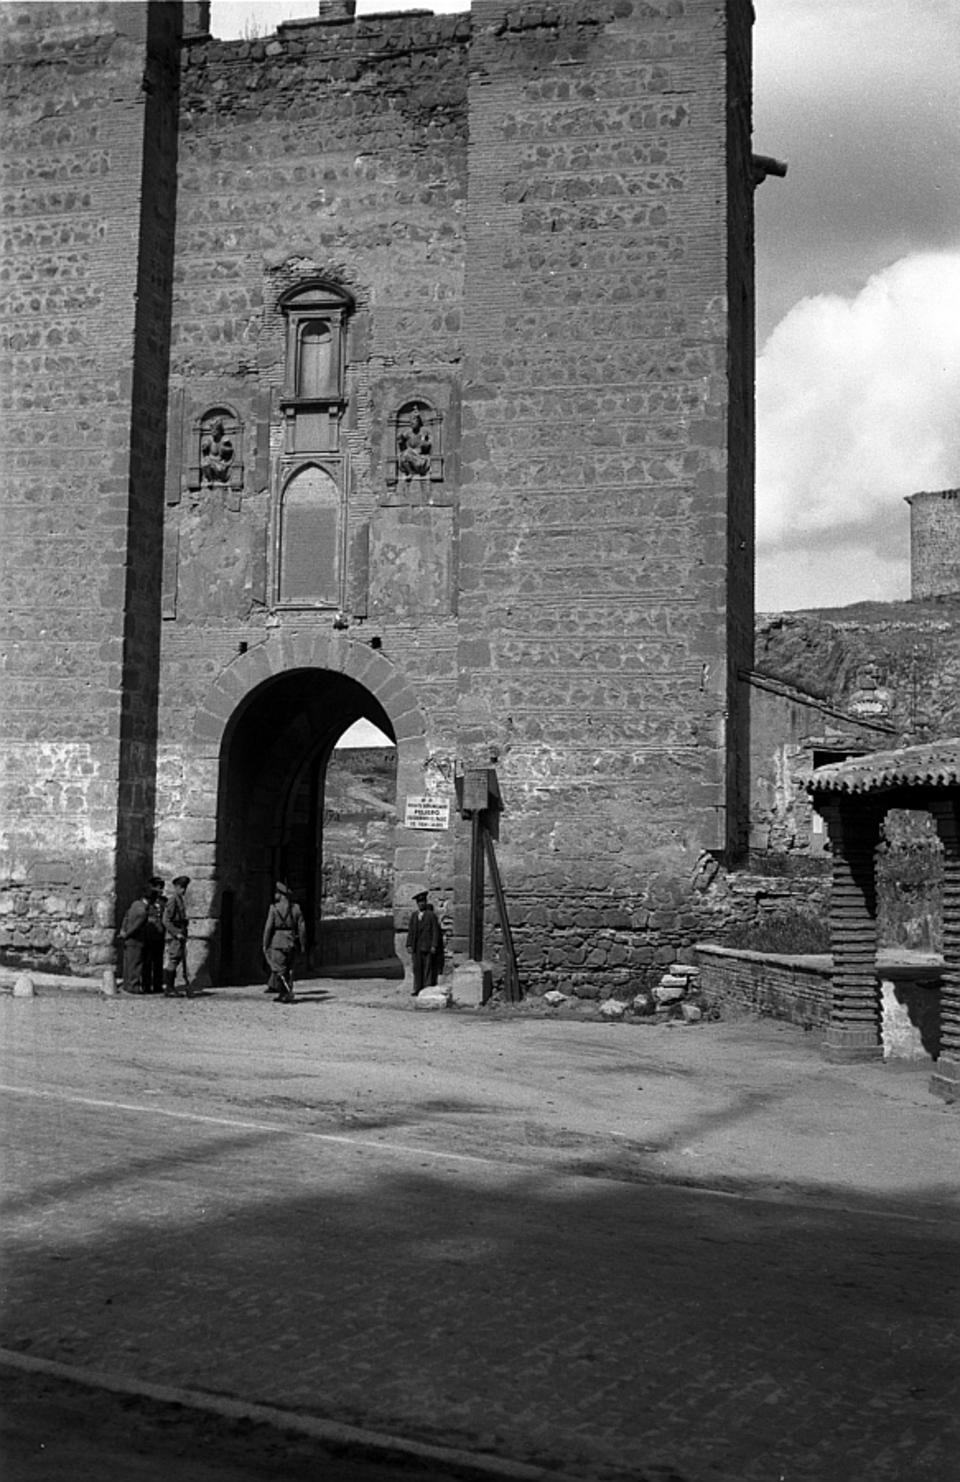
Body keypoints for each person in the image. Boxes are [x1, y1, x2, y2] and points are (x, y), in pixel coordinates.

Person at [262, 881, 306, 1004]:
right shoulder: (296, 908)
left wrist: (265, 943)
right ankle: (285, 992)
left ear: (281, 894)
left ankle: (286, 992)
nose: (275, 895)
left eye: (277, 893)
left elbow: (268, 928)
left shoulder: (274, 909)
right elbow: (302, 928)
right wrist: (302, 944)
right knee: (289, 969)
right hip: (291, 940)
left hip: (278, 941)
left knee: (279, 969)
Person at [406, 889, 443, 996]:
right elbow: (411, 931)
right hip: (416, 947)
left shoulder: (431, 916)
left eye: (423, 902)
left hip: (427, 946)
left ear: (425, 903)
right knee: (417, 968)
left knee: (428, 968)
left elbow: (435, 932)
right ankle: (417, 988)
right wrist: (409, 944)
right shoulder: (414, 916)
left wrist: (434, 945)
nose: (421, 904)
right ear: (417, 904)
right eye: (419, 902)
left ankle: (427, 988)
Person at [162, 876, 192, 997]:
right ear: (176, 887)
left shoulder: (180, 899)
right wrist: (176, 933)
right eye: (182, 887)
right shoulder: (173, 900)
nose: (184, 890)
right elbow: (166, 920)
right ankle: (169, 988)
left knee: (178, 959)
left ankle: (171, 986)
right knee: (173, 960)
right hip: (175, 936)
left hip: (180, 934)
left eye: (185, 887)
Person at [118, 886, 151, 995]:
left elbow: (126, 917)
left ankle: (127, 985)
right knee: (136, 964)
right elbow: (136, 927)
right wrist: (127, 934)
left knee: (128, 964)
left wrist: (123, 930)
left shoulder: (134, 905)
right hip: (136, 940)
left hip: (128, 940)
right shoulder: (143, 911)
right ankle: (133, 987)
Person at [142, 876, 166, 994]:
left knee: (158, 961)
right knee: (147, 961)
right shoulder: (145, 901)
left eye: (161, 888)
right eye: (157, 887)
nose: (159, 890)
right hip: (148, 934)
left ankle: (157, 985)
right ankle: (146, 985)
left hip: (159, 935)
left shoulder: (163, 901)